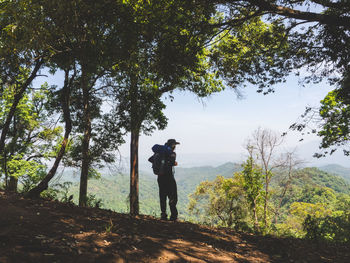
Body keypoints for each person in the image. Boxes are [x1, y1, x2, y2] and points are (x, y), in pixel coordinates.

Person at [149, 139, 179, 221]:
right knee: (172, 196)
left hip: (160, 177)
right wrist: (174, 163)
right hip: (169, 177)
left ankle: (163, 215)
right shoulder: (172, 153)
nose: (175, 147)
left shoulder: (158, 152)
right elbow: (173, 162)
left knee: (162, 196)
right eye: (174, 145)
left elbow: (150, 159)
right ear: (172, 145)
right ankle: (173, 216)